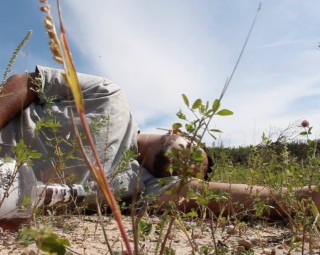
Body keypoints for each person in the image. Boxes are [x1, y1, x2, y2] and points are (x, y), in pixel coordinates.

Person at [0, 66, 319, 218]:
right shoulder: (111, 96)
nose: (193, 167)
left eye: (195, 172)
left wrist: (301, 199)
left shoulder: (141, 184)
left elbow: (214, 195)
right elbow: (27, 82)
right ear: (178, 131)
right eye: (198, 155)